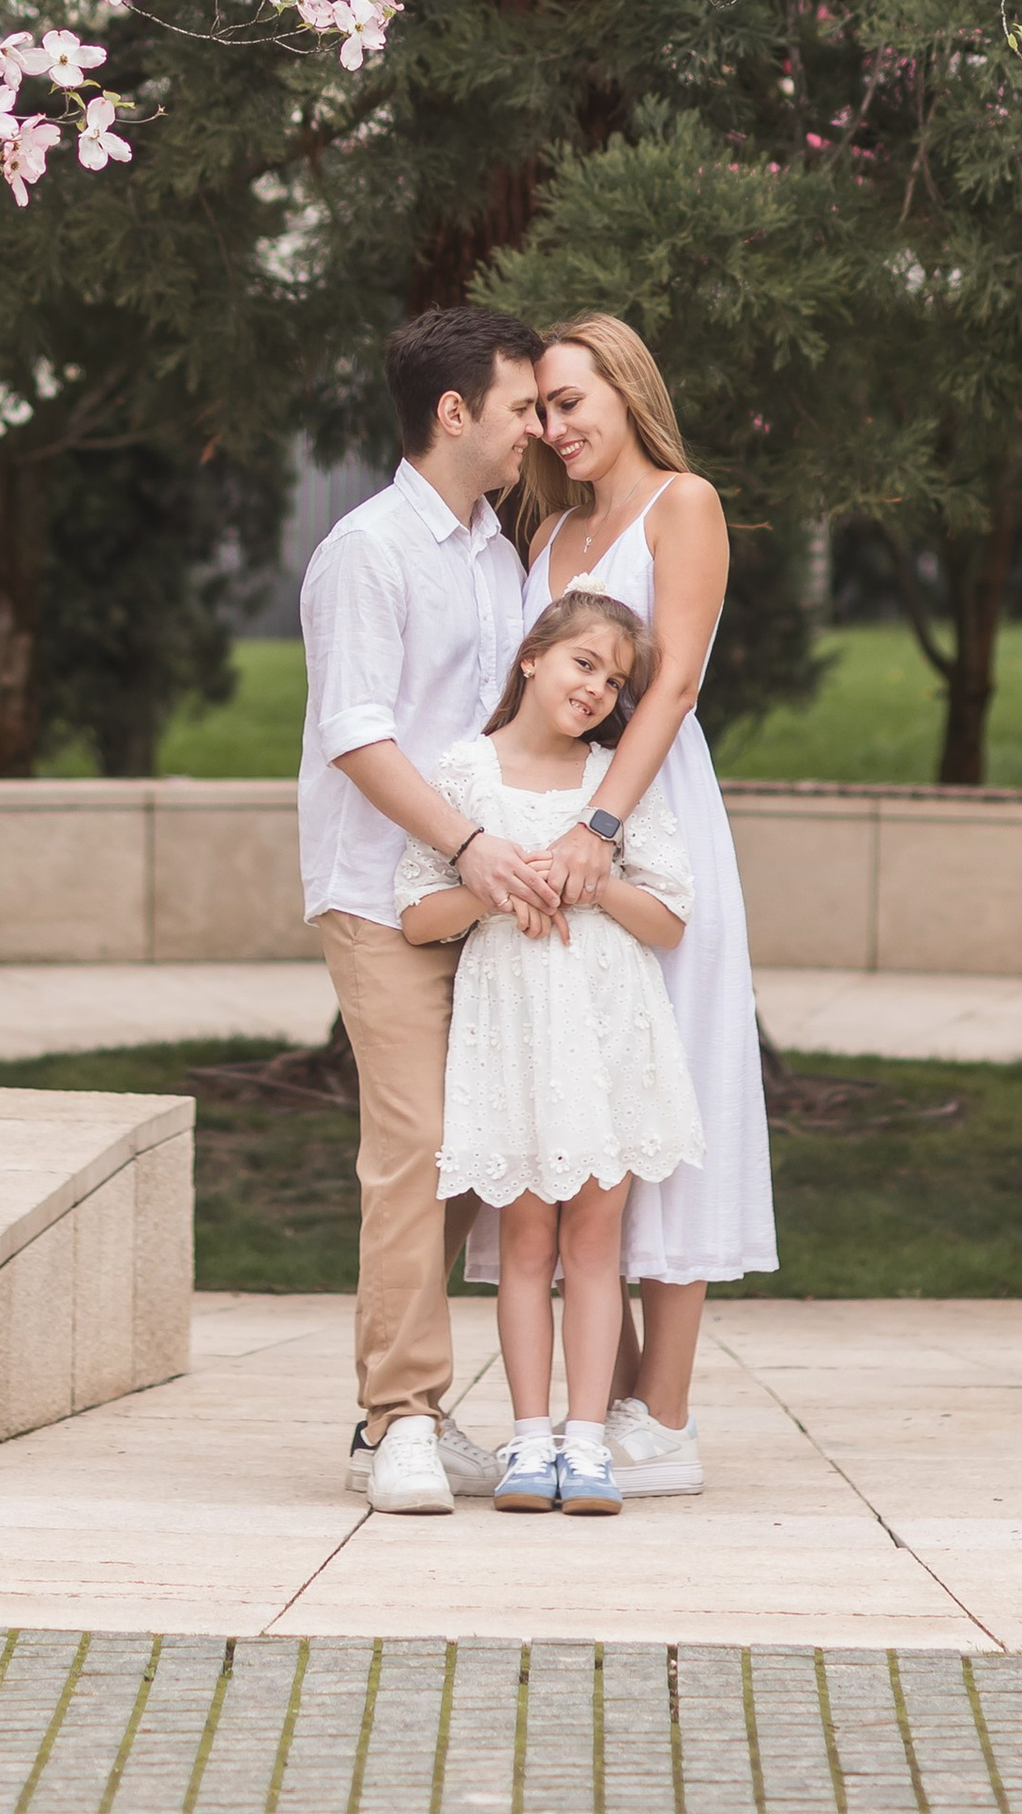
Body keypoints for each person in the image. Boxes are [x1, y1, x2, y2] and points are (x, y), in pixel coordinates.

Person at [507, 314, 777, 1495]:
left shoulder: (684, 503)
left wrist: (601, 824)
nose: (557, 427)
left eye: (573, 400)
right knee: (588, 1093)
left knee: (675, 1083)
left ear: (625, 386)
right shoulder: (551, 525)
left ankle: (662, 1415)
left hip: (647, 814)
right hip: (547, 825)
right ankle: (595, 1403)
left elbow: (669, 683)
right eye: (543, 409)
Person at [296, 305, 559, 1516]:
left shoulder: (494, 553)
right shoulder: (367, 551)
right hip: (378, 895)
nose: (533, 432)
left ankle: (389, 1417)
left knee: (463, 1155)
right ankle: (402, 1416)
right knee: (410, 1147)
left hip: (478, 894)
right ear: (453, 413)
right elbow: (357, 733)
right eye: (518, 409)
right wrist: (468, 842)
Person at [394, 589, 702, 1517]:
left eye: (614, 680)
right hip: (517, 1037)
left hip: (607, 1035)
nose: (598, 689)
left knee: (595, 1244)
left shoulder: (614, 783)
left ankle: (588, 1443)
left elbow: (672, 919)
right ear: (531, 656)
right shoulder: (462, 773)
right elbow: (416, 913)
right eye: (583, 664)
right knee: (527, 1239)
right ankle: (529, 1441)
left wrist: (596, 880)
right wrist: (494, 888)